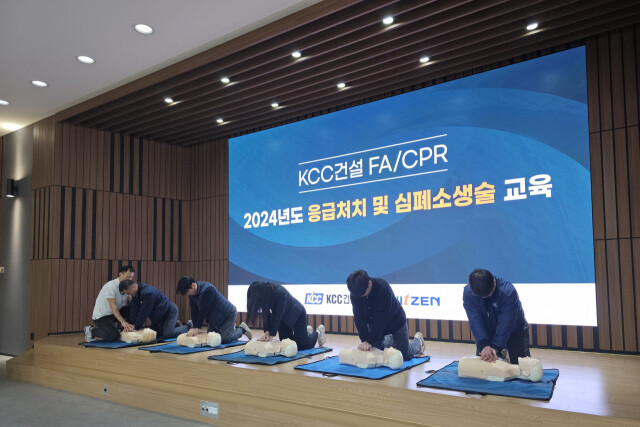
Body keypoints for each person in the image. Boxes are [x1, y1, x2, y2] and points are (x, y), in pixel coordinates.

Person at [346, 269, 425, 361]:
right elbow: (359, 317)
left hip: (396, 322)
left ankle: (418, 342)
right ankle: (392, 340)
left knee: (404, 355)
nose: (359, 297)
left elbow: (380, 319)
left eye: (362, 294)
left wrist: (369, 341)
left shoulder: (383, 288)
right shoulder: (355, 292)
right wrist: (364, 340)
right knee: (376, 351)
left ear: (369, 283)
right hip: (375, 324)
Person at [462, 268, 530, 364]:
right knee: (484, 365)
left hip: (514, 330)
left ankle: (503, 351)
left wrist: (496, 348)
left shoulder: (507, 291)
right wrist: (484, 345)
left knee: (522, 366)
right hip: (487, 331)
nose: (488, 297)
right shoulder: (469, 293)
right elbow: (475, 321)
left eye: (490, 293)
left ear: (494, 282)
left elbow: (506, 324)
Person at [246, 281, 325, 350]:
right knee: (287, 344)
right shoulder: (264, 293)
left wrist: (271, 335)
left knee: (301, 345)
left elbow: (278, 315)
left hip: (297, 313)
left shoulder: (280, 293)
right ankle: (306, 333)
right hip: (284, 318)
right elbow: (266, 314)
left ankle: (318, 332)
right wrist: (267, 332)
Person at [176, 276, 252, 343]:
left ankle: (242, 329)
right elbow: (194, 311)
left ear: (193, 285)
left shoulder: (208, 290)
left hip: (228, 314)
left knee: (225, 339)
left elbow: (203, 310)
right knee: (211, 338)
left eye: (187, 291)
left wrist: (198, 328)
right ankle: (230, 331)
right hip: (215, 317)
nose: (187, 294)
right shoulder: (192, 295)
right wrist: (194, 327)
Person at [119, 280, 189, 340]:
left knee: (167, 334)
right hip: (158, 316)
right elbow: (134, 310)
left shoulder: (148, 293)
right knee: (155, 334)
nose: (129, 295)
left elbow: (144, 313)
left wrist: (135, 327)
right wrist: (132, 325)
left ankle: (189, 326)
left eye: (128, 293)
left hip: (169, 312)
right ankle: (176, 325)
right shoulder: (135, 294)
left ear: (133, 287)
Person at [84, 265, 135, 342]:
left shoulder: (128, 286)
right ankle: (90, 330)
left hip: (115, 313)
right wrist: (123, 322)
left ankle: (125, 330)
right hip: (102, 316)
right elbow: (112, 306)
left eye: (131, 277)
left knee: (134, 308)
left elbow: (131, 302)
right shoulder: (110, 286)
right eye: (128, 277)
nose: (130, 279)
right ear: (120, 274)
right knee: (113, 336)